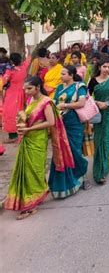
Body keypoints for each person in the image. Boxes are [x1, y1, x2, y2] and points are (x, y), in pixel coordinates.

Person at [3, 76, 74, 219]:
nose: (26, 91)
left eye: (29, 88)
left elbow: (51, 122)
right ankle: (31, 198)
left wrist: (29, 129)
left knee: (34, 170)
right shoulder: (30, 100)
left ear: (38, 87)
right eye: (25, 89)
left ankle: (31, 205)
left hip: (37, 141)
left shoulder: (46, 102)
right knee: (25, 170)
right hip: (28, 139)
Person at [49, 65, 91, 197]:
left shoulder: (80, 87)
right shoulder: (60, 88)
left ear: (71, 75)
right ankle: (65, 184)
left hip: (74, 124)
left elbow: (81, 103)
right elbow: (55, 102)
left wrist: (65, 105)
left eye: (63, 74)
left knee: (75, 151)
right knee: (61, 151)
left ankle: (81, 175)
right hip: (60, 123)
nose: (61, 76)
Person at [88, 58, 109, 184]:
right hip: (98, 113)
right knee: (98, 140)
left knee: (106, 140)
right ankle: (98, 169)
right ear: (99, 67)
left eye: (108, 67)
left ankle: (103, 172)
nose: (107, 69)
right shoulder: (93, 81)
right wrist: (98, 103)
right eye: (104, 67)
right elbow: (87, 98)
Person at [2, 52, 30, 142]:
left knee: (10, 113)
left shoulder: (10, 70)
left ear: (11, 61)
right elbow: (28, 60)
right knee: (21, 112)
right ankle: (21, 133)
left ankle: (13, 136)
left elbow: (4, 82)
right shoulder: (24, 67)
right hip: (23, 92)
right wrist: (29, 51)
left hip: (12, 94)